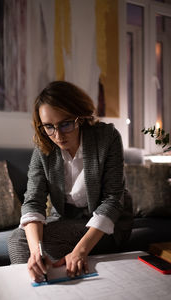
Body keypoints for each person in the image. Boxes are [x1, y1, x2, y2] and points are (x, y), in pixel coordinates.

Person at [8, 81, 133, 283]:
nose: (58, 135)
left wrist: (80, 251)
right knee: (21, 242)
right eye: (49, 126)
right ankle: (37, 287)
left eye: (65, 123)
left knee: (31, 243)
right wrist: (35, 253)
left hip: (106, 227)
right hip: (66, 222)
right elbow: (33, 200)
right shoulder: (43, 147)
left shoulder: (107, 137)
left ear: (80, 117)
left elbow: (112, 200)